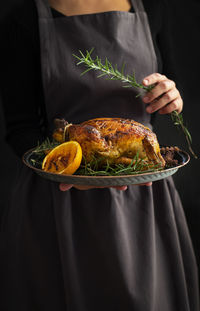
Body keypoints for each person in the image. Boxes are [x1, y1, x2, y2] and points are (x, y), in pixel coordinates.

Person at [0, 0, 199, 310]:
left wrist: (170, 95)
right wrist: (67, 170)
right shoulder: (24, 17)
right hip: (59, 196)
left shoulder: (154, 7)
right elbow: (20, 127)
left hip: (143, 192)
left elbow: (166, 90)